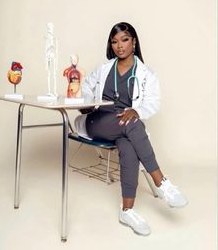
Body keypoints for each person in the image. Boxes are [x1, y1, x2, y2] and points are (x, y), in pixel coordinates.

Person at [76, 22, 188, 236]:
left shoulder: (146, 74)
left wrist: (137, 111)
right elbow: (86, 89)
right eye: (115, 41)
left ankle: (127, 211)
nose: (120, 46)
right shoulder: (104, 69)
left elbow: (153, 103)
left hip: (125, 125)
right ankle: (161, 182)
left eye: (125, 40)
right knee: (131, 124)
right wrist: (86, 103)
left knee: (128, 148)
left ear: (134, 42)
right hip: (97, 121)